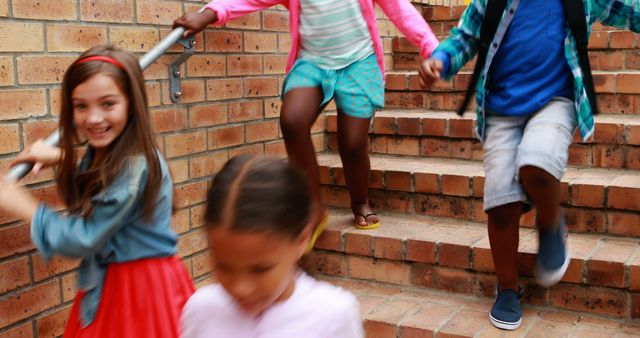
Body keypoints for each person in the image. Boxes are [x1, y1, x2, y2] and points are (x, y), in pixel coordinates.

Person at [419, 0, 640, 331]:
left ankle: (550, 226)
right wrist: (440, 59)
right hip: (500, 110)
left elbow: (628, 9)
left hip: (554, 101)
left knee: (536, 162)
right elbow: (465, 37)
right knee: (501, 204)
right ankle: (508, 287)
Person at [173, 0, 439, 239]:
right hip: (312, 63)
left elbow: (400, 10)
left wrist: (430, 47)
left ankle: (360, 201)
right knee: (292, 119)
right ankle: (312, 209)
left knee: (352, 142)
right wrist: (209, 14)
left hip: (360, 62)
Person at [0, 45, 194, 337]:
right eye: (81, 106)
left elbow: (84, 238)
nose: (93, 118)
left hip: (140, 293)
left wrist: (22, 205)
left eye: (107, 104)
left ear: (132, 103)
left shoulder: (135, 165)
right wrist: (61, 157)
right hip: (117, 282)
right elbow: (110, 180)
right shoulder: (114, 152)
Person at [181, 154, 363, 338]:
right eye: (224, 267)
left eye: (260, 269)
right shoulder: (201, 309)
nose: (240, 288)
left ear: (302, 240)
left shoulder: (333, 314)